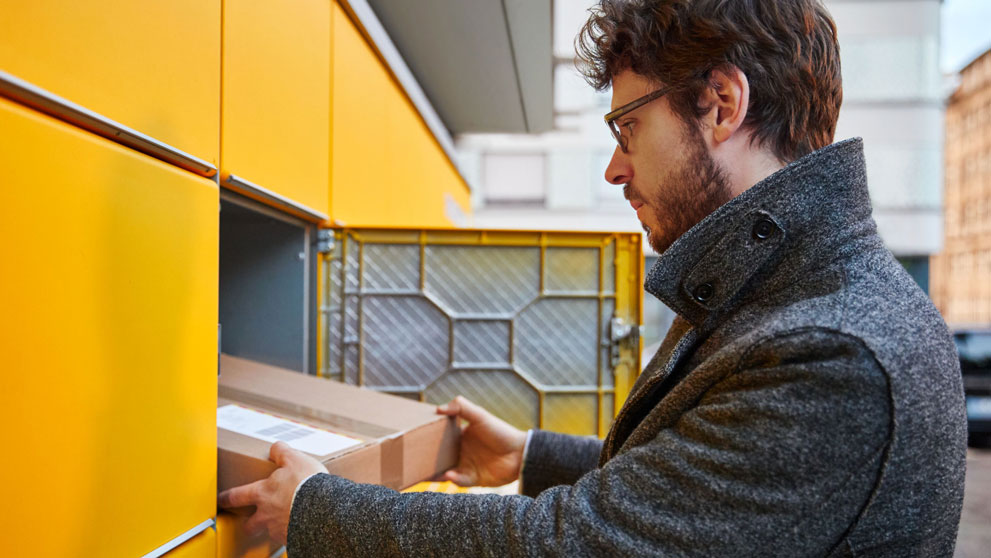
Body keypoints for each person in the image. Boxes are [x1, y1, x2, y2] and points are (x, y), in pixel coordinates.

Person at [218, 0, 968, 555]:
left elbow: (586, 545)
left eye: (628, 126)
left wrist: (318, 509)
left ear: (721, 105)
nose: (614, 167)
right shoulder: (790, 285)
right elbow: (710, 494)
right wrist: (534, 456)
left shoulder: (833, 350)